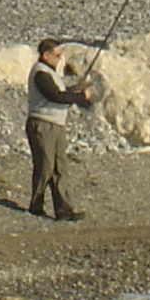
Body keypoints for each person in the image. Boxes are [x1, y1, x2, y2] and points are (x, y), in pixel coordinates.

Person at [25, 38, 93, 220]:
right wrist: (80, 98)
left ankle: (63, 210)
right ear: (45, 55)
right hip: (42, 124)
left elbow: (60, 92)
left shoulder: (50, 73)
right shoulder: (40, 73)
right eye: (56, 55)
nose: (59, 59)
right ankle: (35, 205)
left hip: (56, 125)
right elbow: (55, 96)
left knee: (60, 167)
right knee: (45, 166)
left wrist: (75, 92)